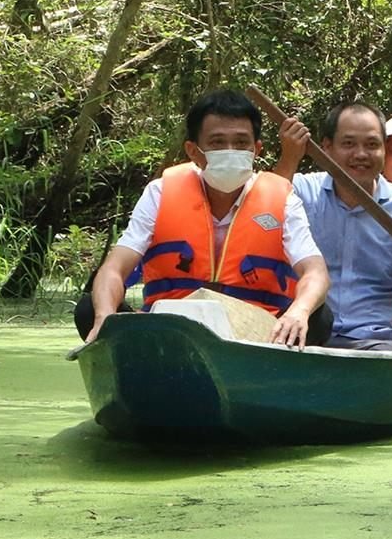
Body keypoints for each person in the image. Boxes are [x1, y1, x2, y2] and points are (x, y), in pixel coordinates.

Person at [76, 90, 331, 347]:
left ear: (256, 150)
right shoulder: (161, 191)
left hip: (255, 335)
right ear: (194, 151)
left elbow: (315, 272)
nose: (230, 151)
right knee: (89, 308)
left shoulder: (282, 197)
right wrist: (104, 316)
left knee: (319, 317)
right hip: (169, 329)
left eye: (241, 143)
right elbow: (114, 268)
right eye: (217, 142)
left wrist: (299, 311)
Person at [280, 101, 392, 350]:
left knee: (384, 356)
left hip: (373, 340)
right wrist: (289, 158)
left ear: (383, 150)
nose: (361, 154)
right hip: (305, 331)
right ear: (326, 148)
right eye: (348, 144)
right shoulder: (300, 190)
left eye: (372, 145)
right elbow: (264, 215)